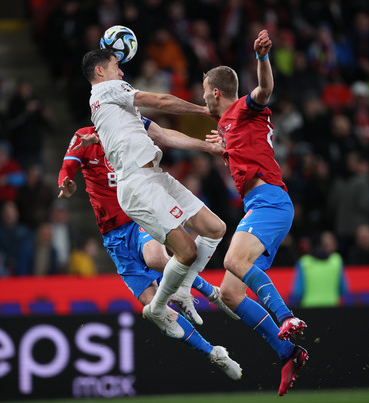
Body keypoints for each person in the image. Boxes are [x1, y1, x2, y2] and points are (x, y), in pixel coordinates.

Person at [57, 122, 241, 380]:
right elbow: (68, 164)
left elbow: (160, 141)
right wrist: (64, 180)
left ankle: (211, 292)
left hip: (137, 218)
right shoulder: (85, 136)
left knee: (156, 257)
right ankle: (213, 353)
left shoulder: (128, 133)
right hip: (112, 237)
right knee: (155, 309)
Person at [81, 47, 227, 339]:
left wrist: (208, 146)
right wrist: (203, 110)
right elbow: (160, 100)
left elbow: (162, 134)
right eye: (115, 65)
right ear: (100, 72)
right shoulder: (109, 89)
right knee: (186, 251)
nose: (122, 72)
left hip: (155, 175)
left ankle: (183, 289)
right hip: (138, 182)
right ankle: (159, 306)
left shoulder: (119, 108)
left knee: (215, 227)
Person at [202, 30, 308, 396]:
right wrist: (224, 149)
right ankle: (287, 352)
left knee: (232, 259)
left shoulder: (243, 108)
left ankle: (286, 318)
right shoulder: (227, 126)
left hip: (269, 202)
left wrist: (262, 59)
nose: (203, 100)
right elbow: (245, 150)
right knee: (230, 294)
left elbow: (264, 92)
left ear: (216, 91)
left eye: (204, 93)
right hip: (262, 205)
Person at [292, 231, 349, 307]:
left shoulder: (304, 262)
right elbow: (343, 290)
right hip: (333, 307)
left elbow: (298, 292)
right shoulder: (337, 260)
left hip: (308, 309)